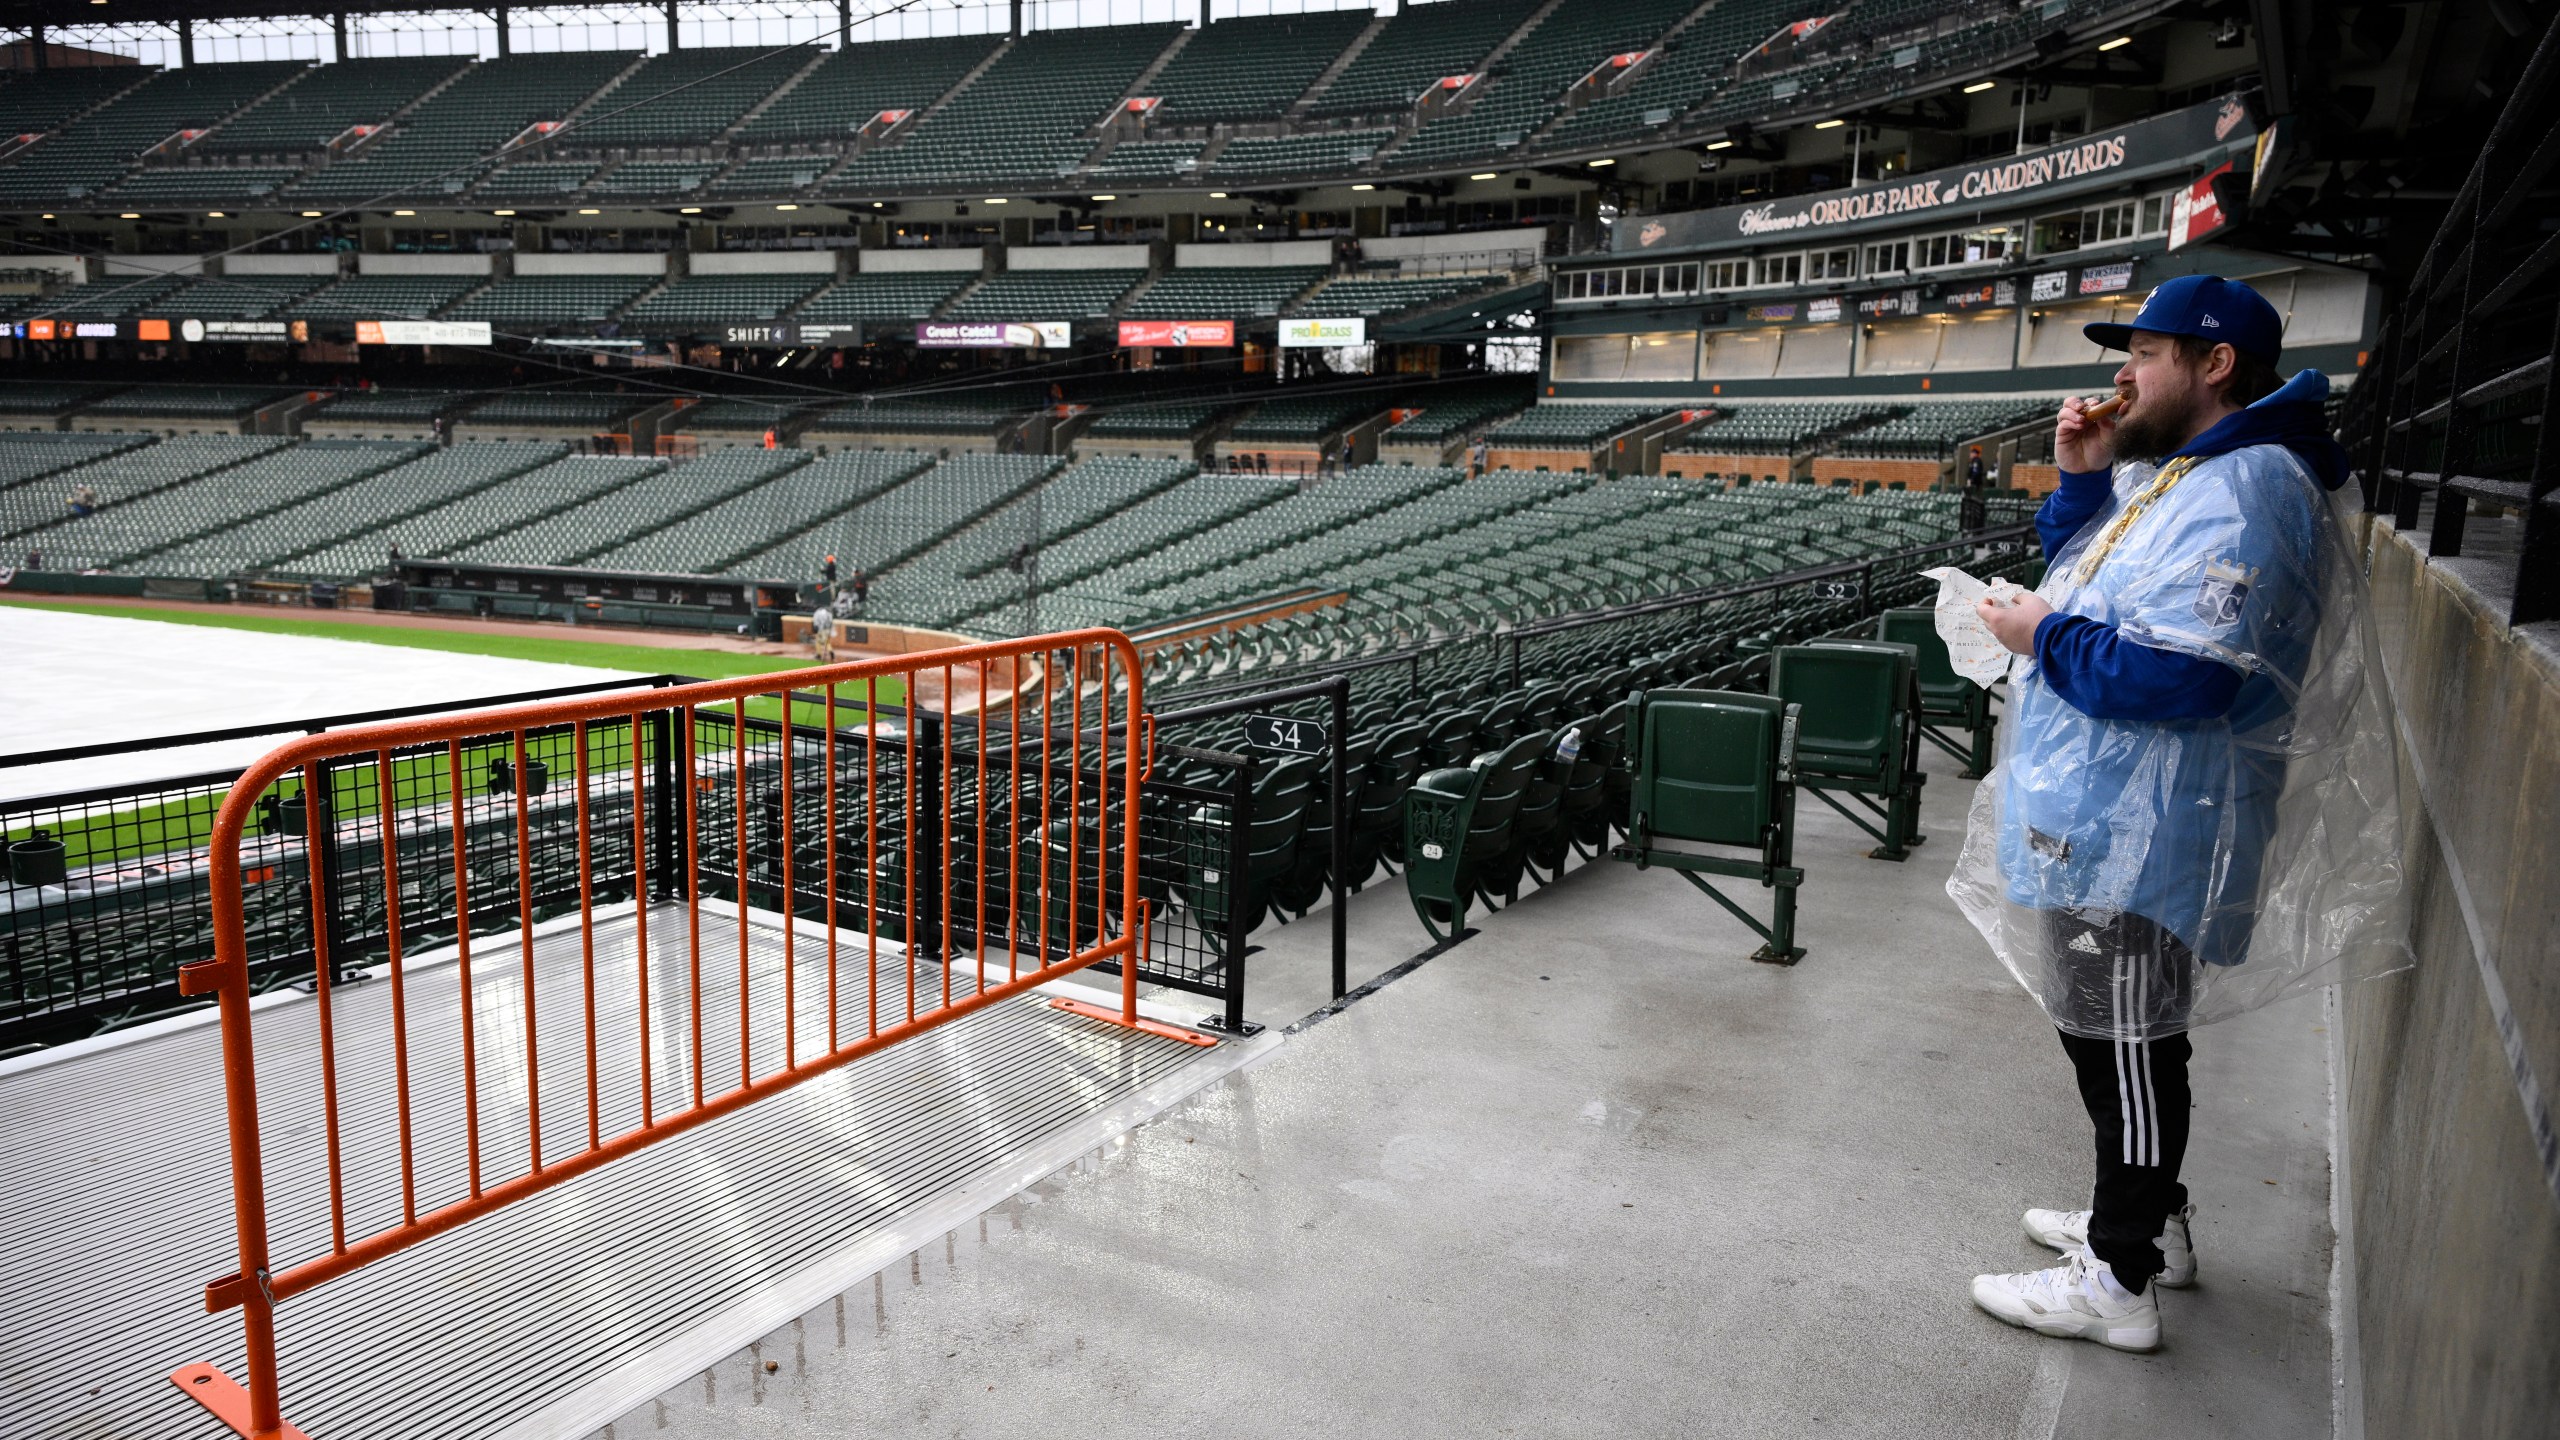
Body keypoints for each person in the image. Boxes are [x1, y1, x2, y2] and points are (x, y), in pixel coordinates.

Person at [1959, 275, 2361, 1353]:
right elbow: (2092, 586)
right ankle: (2141, 1219)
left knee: (2126, 1044)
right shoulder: (2192, 473)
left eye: (2144, 352)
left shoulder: (2250, 487)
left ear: (2214, 363)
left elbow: (2188, 677)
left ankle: (2120, 1280)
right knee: (2115, 1039)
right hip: (2108, 821)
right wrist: (2082, 484)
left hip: (2146, 829)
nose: (2120, 375)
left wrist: (2040, 638)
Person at [809, 593, 835, 665]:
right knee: (826, 642)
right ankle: (829, 651)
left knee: (818, 642)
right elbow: (831, 621)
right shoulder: (827, 612)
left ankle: (819, 654)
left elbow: (815, 623)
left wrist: (816, 630)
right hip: (828, 629)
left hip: (821, 630)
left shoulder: (817, 612)